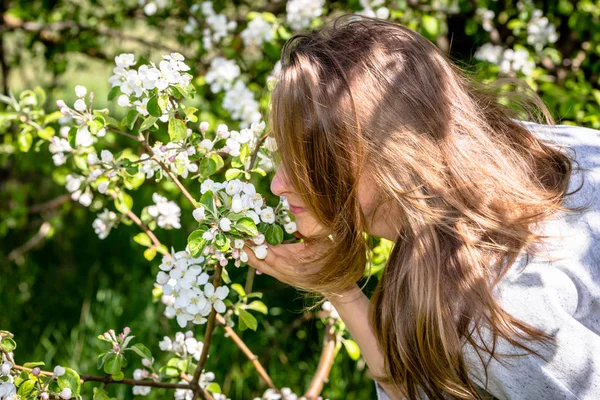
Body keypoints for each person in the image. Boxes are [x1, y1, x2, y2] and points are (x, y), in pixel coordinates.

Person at [243, 14, 600, 400]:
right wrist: (338, 287)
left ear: (391, 159)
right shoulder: (521, 153)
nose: (278, 184)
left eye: (308, 162)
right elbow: (414, 385)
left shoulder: (494, 311)